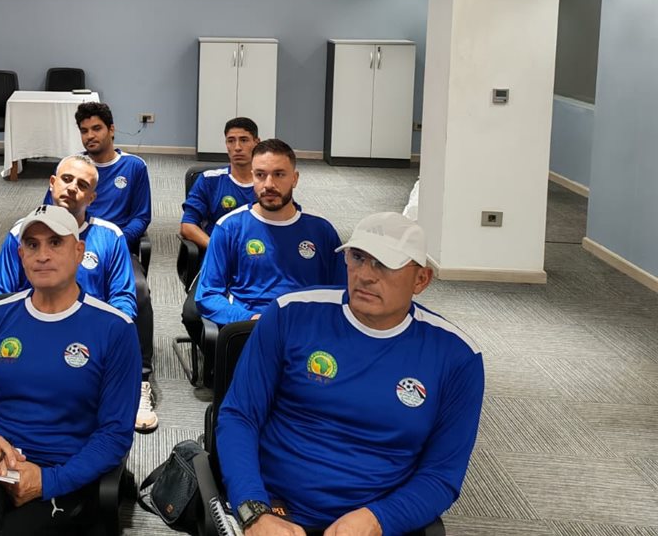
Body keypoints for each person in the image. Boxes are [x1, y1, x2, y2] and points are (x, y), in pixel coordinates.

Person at [216, 212, 484, 536]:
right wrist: (253, 512)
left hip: (374, 519)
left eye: (384, 264)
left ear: (421, 280)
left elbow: (442, 474)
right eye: (357, 257)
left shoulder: (457, 357)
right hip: (273, 507)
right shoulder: (290, 313)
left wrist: (378, 519)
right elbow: (239, 415)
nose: (365, 275)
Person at [0, 204, 140, 536]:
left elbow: (114, 434)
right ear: (21, 255)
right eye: (32, 244)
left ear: (79, 251)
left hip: (65, 473)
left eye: (55, 242)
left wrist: (48, 480)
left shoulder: (115, 329)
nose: (42, 255)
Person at [42, 101, 157, 432]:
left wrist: (115, 239)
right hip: (69, 242)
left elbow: (141, 217)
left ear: (111, 130)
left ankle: (141, 378)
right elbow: (48, 210)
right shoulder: (73, 169)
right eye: (84, 131)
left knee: (138, 291)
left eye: (96, 129)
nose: (90, 136)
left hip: (115, 246)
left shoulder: (133, 167)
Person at [196, 138, 344, 326]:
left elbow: (342, 291)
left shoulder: (321, 229)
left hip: (307, 327)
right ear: (253, 177)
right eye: (260, 175)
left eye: (279, 174)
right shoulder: (229, 227)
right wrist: (248, 318)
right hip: (251, 325)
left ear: (295, 179)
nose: (268, 184)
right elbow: (208, 294)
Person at [0, 154, 136, 319]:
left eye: (82, 185)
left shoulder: (111, 237)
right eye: (66, 179)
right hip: (28, 325)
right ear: (52, 183)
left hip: (91, 326)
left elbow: (123, 300)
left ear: (91, 198)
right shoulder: (21, 233)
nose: (72, 188)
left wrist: (107, 329)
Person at [180, 117, 259, 251]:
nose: (237, 147)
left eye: (244, 140)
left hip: (257, 252)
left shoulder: (269, 183)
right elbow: (187, 226)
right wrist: (217, 248)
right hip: (218, 252)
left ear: (256, 142)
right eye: (231, 141)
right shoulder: (209, 180)